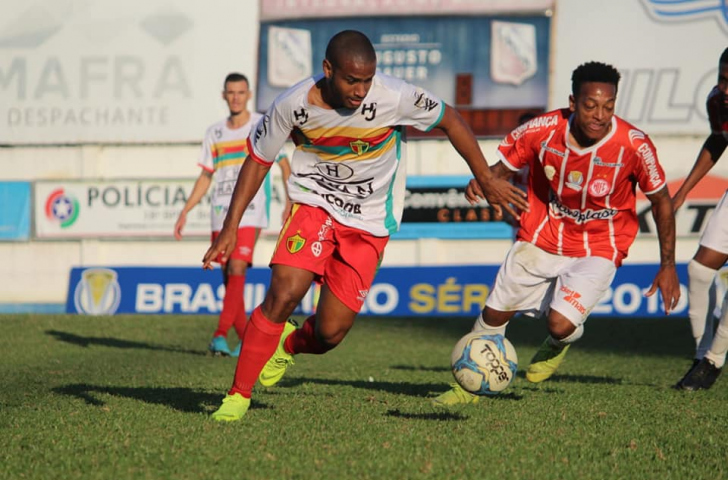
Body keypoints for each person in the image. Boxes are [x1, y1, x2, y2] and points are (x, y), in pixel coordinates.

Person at [202, 30, 529, 422]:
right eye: (351, 80)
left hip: (370, 220)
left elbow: (451, 120)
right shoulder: (291, 105)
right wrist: (230, 226)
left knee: (330, 333)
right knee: (285, 291)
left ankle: (288, 345)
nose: (360, 91)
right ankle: (238, 395)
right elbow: (258, 160)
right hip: (315, 203)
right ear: (327, 70)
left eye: (367, 81)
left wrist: (486, 176)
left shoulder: (395, 96)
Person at [432, 61, 681, 406]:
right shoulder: (542, 129)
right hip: (542, 235)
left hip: (600, 245)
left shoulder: (634, 145)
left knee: (560, 325)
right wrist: (484, 180)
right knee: (494, 315)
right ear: (573, 102)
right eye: (591, 105)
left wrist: (667, 265)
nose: (599, 115)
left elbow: (662, 202)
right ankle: (469, 388)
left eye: (608, 106)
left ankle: (557, 345)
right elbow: (502, 169)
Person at [174, 72, 291, 357]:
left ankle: (218, 335)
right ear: (224, 95)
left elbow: (285, 166)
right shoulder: (214, 132)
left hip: (250, 210)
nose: (236, 97)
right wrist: (185, 211)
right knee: (228, 276)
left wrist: (290, 202)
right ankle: (247, 340)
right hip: (220, 212)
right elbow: (206, 176)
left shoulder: (261, 124)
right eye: (231, 92)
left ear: (249, 95)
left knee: (237, 267)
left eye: (241, 92)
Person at [672, 48, 728, 391]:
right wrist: (683, 192)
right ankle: (701, 354)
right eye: (722, 79)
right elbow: (718, 142)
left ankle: (712, 362)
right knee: (698, 270)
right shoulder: (718, 101)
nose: (725, 88)